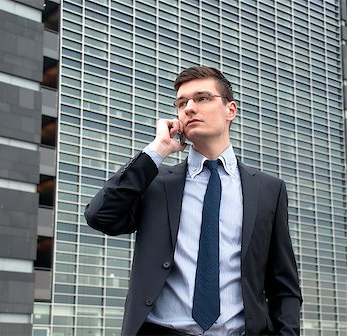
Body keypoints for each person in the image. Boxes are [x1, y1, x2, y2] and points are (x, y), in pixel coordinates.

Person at [85, 66, 302, 335]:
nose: (189, 108)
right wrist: (158, 149)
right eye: (181, 103)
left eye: (202, 98)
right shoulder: (156, 182)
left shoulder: (268, 190)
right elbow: (100, 216)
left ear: (230, 110)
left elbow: (284, 286)